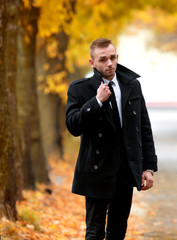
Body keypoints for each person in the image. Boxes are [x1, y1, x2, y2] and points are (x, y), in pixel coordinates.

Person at [65, 37, 158, 240]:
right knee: (94, 232)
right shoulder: (79, 89)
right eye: (103, 59)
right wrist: (96, 101)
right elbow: (73, 126)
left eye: (112, 58)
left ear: (117, 57)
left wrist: (148, 167)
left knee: (117, 231)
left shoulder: (132, 85)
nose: (109, 63)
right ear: (92, 63)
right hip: (97, 169)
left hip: (125, 170)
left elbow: (143, 128)